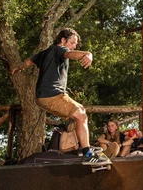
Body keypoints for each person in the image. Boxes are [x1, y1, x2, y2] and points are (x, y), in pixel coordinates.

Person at [14, 28, 107, 162]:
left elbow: (28, 62)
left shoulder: (45, 52)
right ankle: (87, 154)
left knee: (81, 111)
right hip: (52, 95)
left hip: (46, 96)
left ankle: (84, 147)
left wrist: (18, 68)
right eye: (72, 42)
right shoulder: (60, 50)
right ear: (63, 40)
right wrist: (87, 54)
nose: (74, 46)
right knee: (81, 115)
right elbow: (70, 55)